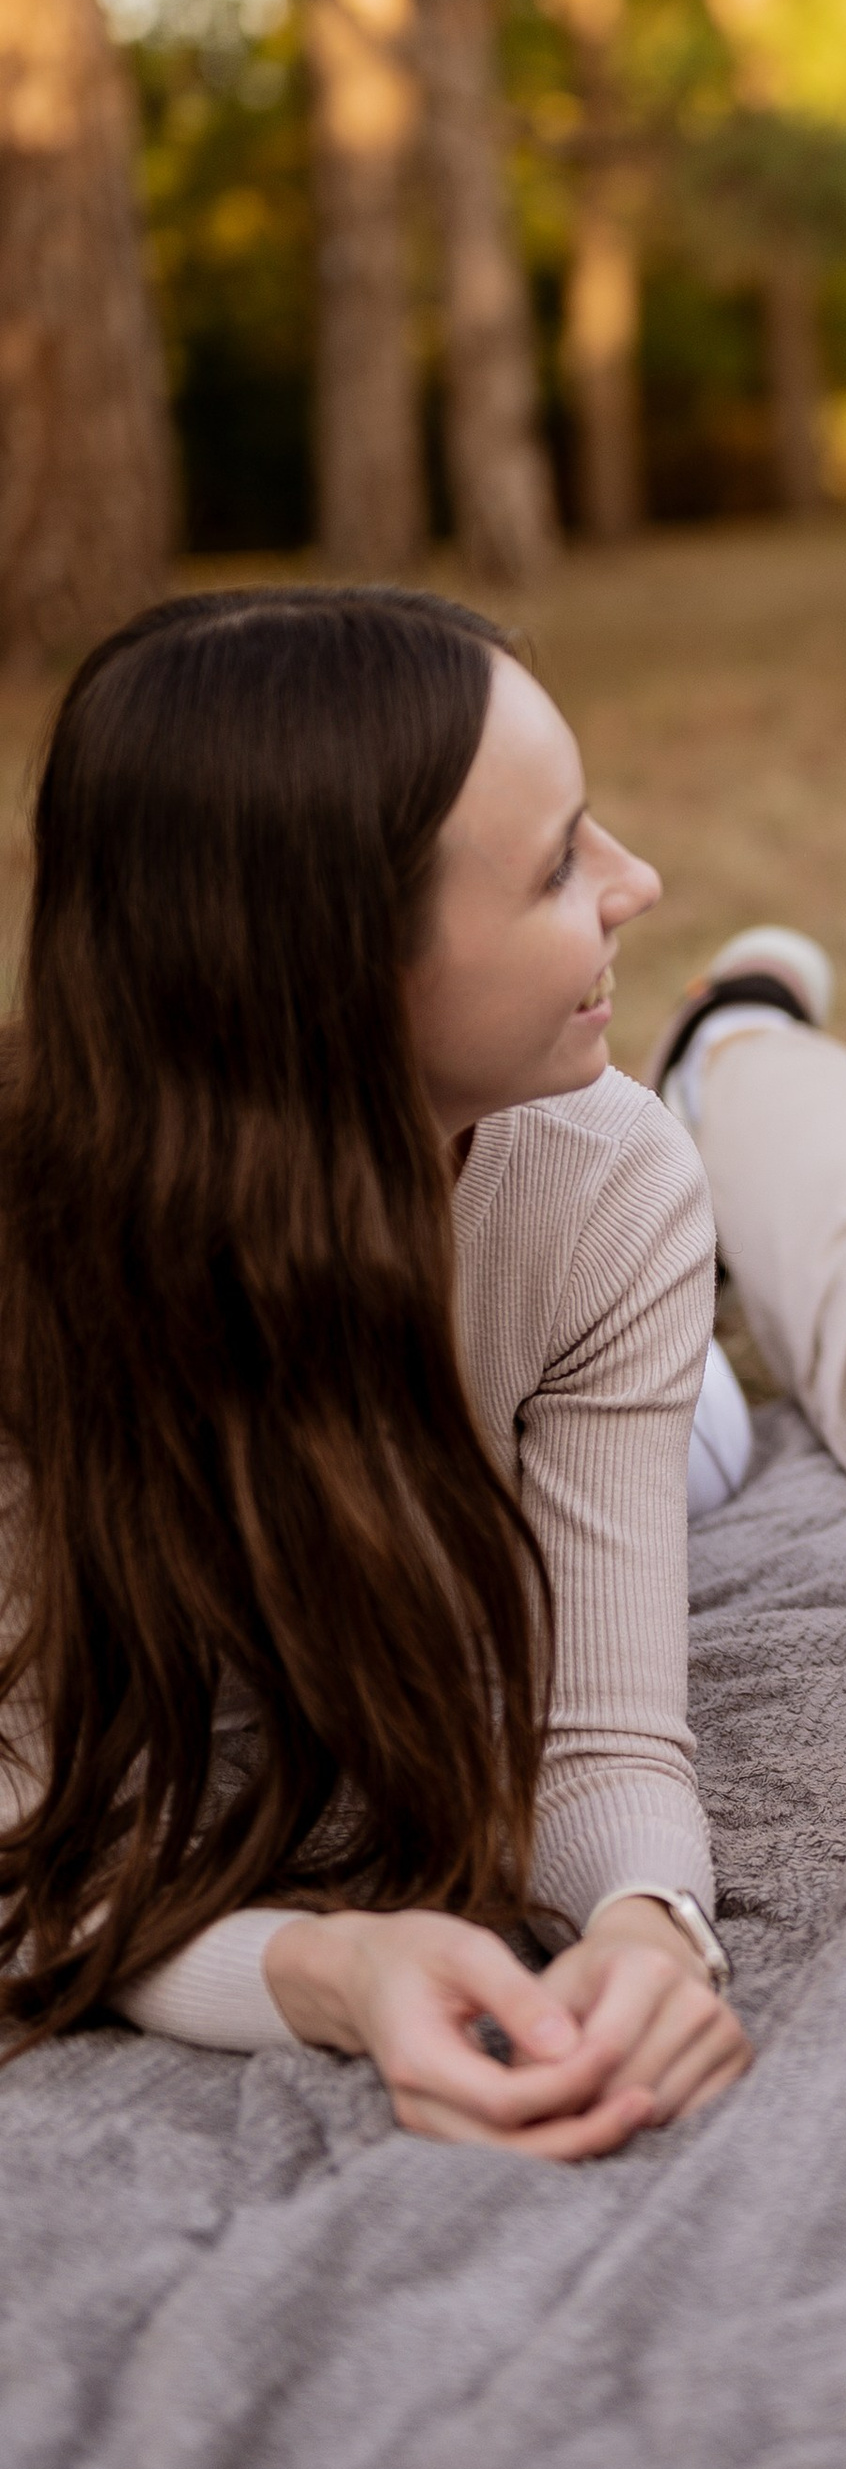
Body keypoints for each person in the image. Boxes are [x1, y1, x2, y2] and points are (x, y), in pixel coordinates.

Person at [0, 589, 753, 2155]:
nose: (637, 880)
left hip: (569, 1399)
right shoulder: (36, 1278)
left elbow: (602, 1730)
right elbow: (31, 1837)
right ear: (332, 975)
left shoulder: (613, 1184)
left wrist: (645, 1924)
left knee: (784, 1405)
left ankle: (753, 1048)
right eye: (557, 867)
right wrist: (331, 1972)